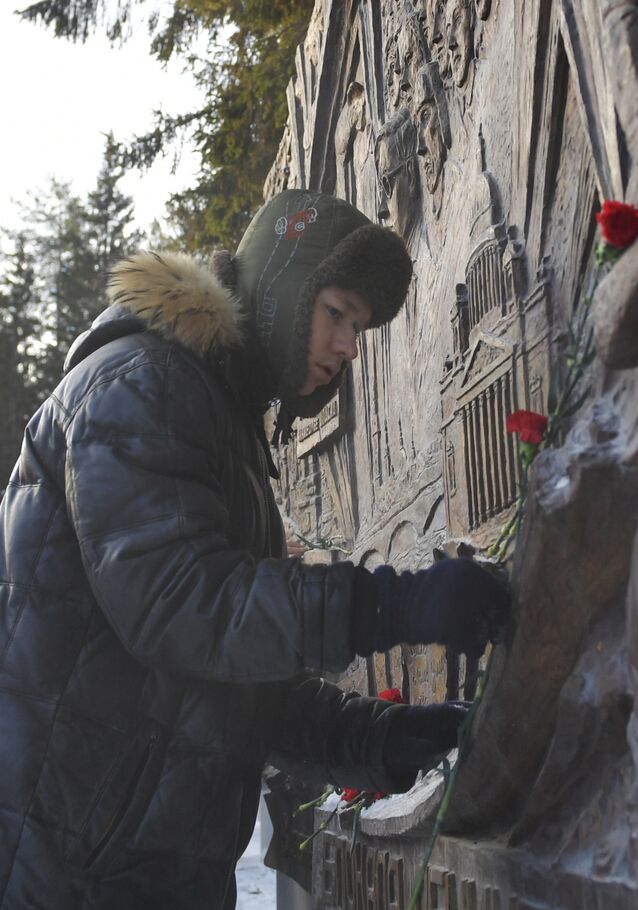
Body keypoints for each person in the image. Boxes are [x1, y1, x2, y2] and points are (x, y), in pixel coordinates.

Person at [0, 189, 509, 909]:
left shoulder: (219, 421)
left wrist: (380, 742)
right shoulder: (139, 385)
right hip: (65, 874)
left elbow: (237, 689)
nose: (348, 348)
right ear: (283, 288)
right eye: (337, 315)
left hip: (145, 873)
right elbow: (187, 609)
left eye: (359, 329)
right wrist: (396, 604)